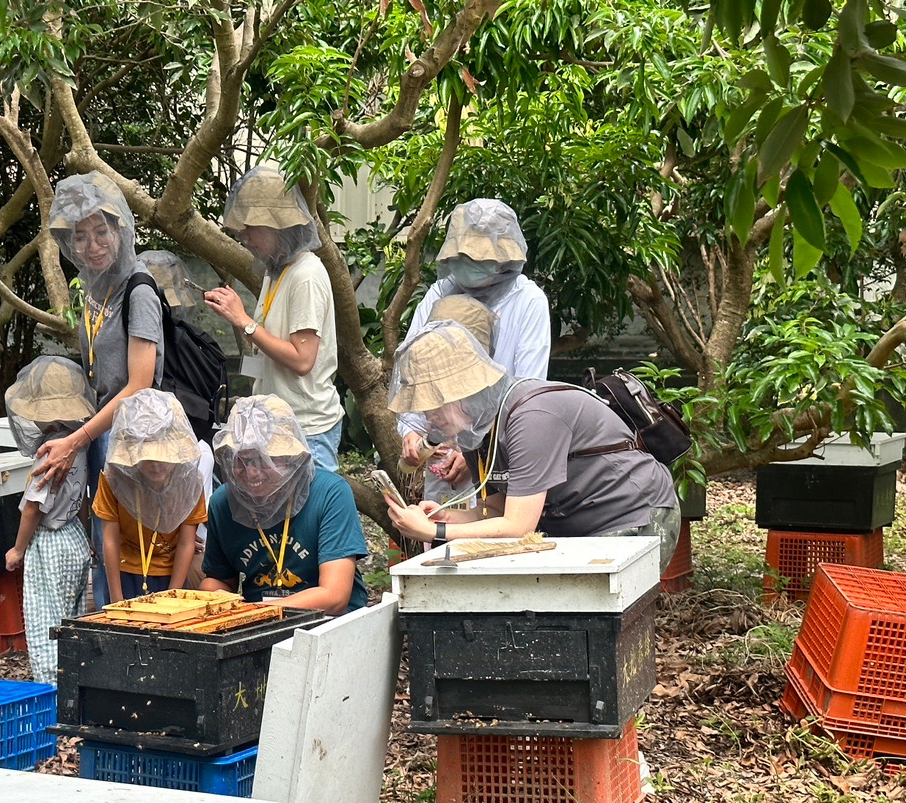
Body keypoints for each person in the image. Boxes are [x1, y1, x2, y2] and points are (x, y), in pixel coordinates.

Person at [382, 320, 680, 562]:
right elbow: (497, 509)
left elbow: (518, 526)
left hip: (634, 516)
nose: (428, 419)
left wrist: (435, 530)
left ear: (462, 395)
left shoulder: (532, 417)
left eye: (432, 407)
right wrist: (449, 516)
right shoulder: (477, 432)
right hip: (572, 526)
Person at [33, 172, 163, 605]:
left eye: (101, 231)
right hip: (99, 431)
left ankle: (131, 631)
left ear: (120, 229)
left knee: (127, 547)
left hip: (131, 438)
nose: (92, 245)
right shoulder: (95, 290)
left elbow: (140, 385)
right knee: (103, 539)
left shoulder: (138, 289)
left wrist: (78, 438)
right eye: (81, 237)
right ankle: (105, 625)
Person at [389, 199, 552, 490]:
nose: (471, 263)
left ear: (504, 257)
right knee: (441, 525)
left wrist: (477, 448)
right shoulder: (438, 294)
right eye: (465, 255)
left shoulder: (527, 301)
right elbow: (414, 370)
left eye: (480, 257)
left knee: (494, 525)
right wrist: (411, 433)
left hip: (500, 453)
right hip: (439, 448)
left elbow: (527, 392)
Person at [202, 168, 342, 472]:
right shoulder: (275, 270)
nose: (244, 236)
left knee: (310, 514)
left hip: (307, 427)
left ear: (278, 226)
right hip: (276, 422)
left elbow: (303, 359)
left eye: (252, 226)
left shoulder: (306, 275)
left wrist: (244, 323)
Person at [201, 396, 367, 614]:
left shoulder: (330, 492)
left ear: (290, 458)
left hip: (328, 624)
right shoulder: (223, 502)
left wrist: (254, 611)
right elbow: (219, 579)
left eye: (264, 460)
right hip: (256, 624)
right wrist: (214, 596)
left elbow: (334, 596)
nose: (251, 472)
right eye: (240, 460)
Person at [3, 356, 95, 684]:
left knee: (47, 625)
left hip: (50, 543)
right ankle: (75, 685)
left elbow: (33, 508)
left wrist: (17, 550)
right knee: (72, 618)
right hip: (74, 538)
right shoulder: (81, 445)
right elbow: (83, 499)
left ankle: (52, 691)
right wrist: (87, 536)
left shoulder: (49, 450)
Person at [91, 390, 208, 602]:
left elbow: (186, 543)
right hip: (124, 572)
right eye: (147, 457)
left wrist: (174, 595)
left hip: (171, 574)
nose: (155, 465)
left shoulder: (190, 482)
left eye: (162, 456)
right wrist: (117, 600)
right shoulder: (113, 478)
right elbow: (109, 539)